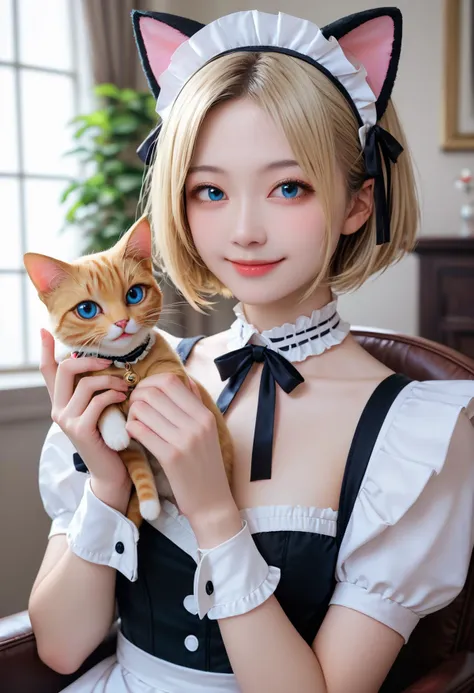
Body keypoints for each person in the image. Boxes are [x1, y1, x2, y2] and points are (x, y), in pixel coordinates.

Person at [28, 7, 474, 693]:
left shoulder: (415, 436)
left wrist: (214, 512)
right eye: (210, 190)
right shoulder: (146, 367)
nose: (244, 230)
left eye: (288, 187)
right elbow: (60, 648)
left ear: (359, 203)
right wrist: (107, 483)